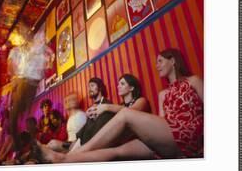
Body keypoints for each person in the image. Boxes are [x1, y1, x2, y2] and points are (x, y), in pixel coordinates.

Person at [40, 48, 204, 163]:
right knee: (114, 152)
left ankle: (66, 156)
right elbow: (163, 122)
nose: (157, 65)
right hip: (168, 137)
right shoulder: (163, 94)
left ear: (173, 61)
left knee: (125, 116)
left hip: (189, 134)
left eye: (160, 61)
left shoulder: (193, 81)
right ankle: (62, 160)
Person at [7, 26, 54, 156]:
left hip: (26, 82)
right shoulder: (23, 49)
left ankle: (21, 149)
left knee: (16, 116)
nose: (24, 35)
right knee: (26, 116)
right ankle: (30, 147)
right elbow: (11, 65)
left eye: (24, 32)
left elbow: (11, 66)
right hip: (31, 84)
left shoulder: (23, 49)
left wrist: (14, 78)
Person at [45, 77, 115, 153]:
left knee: (54, 147)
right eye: (88, 86)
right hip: (78, 142)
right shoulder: (90, 109)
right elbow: (85, 129)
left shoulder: (107, 104)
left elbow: (100, 130)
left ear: (100, 88)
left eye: (92, 85)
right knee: (52, 144)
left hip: (90, 145)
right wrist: (74, 142)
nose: (89, 88)